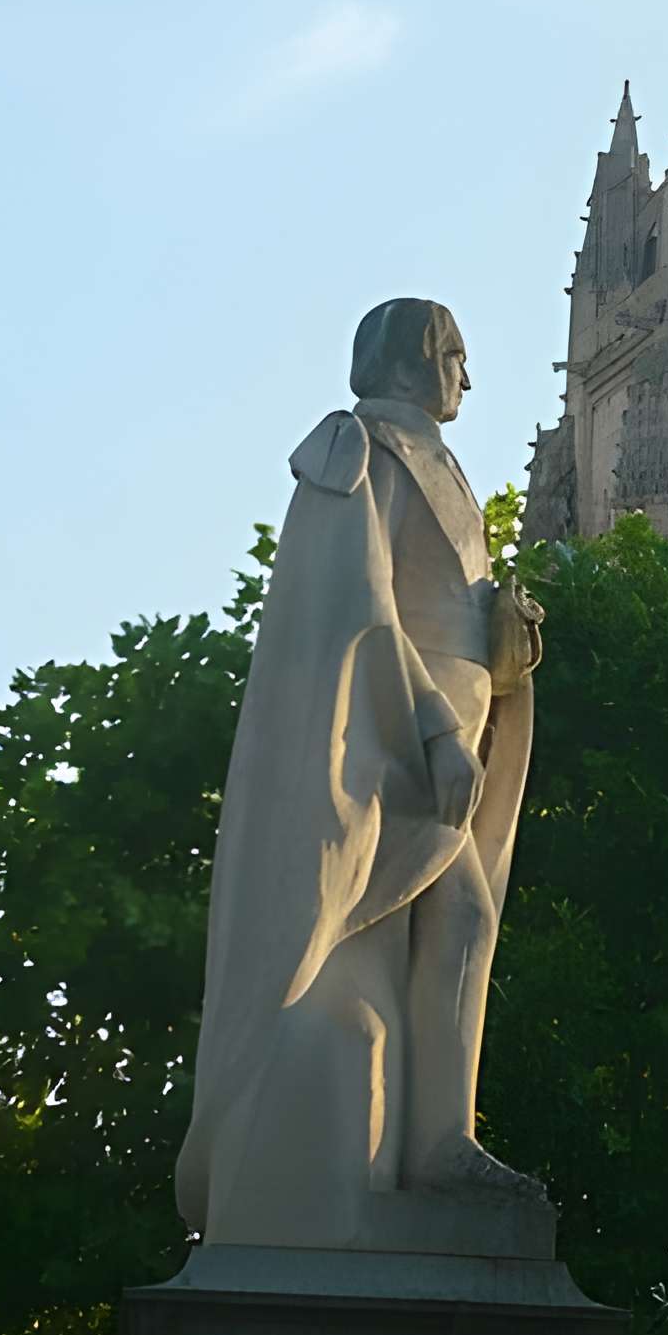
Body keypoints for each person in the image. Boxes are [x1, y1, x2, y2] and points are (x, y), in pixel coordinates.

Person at [175, 298, 544, 1247]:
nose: (469, 376)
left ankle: (440, 1139)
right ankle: (427, 1144)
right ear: (419, 359)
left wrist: (506, 659)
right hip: (383, 737)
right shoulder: (353, 448)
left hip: (453, 728)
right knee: (394, 927)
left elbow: (443, 607)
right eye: (458, 356)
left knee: (464, 915)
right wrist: (430, 728)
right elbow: (361, 599)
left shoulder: (447, 466)